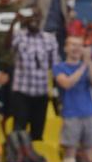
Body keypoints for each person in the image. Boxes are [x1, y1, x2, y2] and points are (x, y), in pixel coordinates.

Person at [10, 8, 59, 142]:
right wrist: (14, 22)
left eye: (36, 17)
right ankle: (17, 158)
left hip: (41, 92)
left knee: (37, 132)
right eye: (30, 17)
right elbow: (7, 47)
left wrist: (55, 91)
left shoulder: (50, 38)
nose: (34, 20)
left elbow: (54, 66)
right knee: (19, 130)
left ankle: (34, 160)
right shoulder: (19, 35)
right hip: (22, 91)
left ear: (41, 18)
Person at [53, 36, 92, 162]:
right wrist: (84, 65)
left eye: (79, 45)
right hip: (71, 114)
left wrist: (88, 62)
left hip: (88, 114)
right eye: (73, 45)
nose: (76, 48)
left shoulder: (87, 65)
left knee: (90, 155)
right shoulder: (59, 67)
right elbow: (67, 83)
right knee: (70, 154)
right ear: (66, 48)